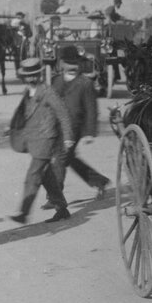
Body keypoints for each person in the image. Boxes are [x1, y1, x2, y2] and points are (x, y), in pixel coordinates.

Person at [10, 58, 74, 225]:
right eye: (28, 76)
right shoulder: (27, 93)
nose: (31, 79)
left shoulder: (47, 92)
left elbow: (63, 114)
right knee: (46, 176)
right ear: (23, 77)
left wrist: (67, 137)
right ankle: (62, 208)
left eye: (34, 75)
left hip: (47, 138)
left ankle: (23, 212)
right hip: (34, 140)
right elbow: (25, 115)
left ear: (38, 75)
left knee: (33, 174)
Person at [51, 48, 111, 200]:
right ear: (62, 64)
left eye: (75, 63)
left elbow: (91, 109)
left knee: (61, 159)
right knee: (68, 159)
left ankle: (55, 197)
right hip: (56, 126)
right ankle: (99, 181)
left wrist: (89, 132)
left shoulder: (85, 83)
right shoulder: (56, 81)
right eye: (69, 63)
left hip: (75, 128)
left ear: (79, 64)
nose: (72, 66)